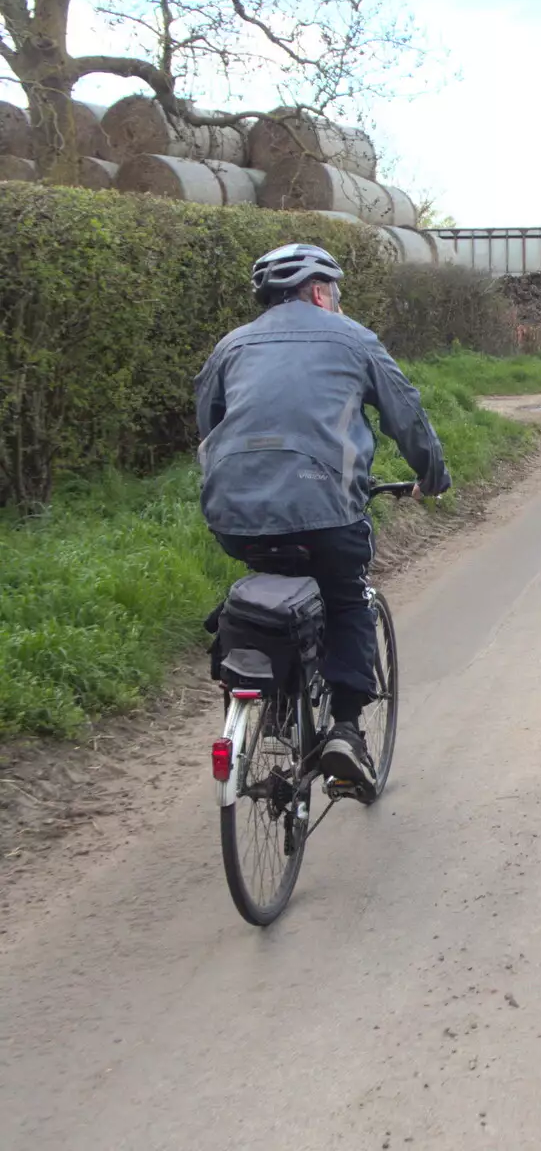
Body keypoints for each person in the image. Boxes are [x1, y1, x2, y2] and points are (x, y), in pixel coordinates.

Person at [194, 243, 452, 801]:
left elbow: (207, 422)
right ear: (318, 291)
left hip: (233, 514)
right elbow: (403, 411)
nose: (337, 302)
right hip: (327, 511)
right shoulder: (352, 337)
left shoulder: (231, 345)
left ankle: (277, 701)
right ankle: (345, 731)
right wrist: (432, 472)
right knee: (345, 598)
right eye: (335, 292)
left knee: (270, 578)